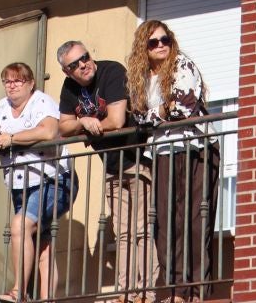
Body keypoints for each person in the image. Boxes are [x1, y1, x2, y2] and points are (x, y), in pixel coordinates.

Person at [56, 39, 153, 302]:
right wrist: (83, 122)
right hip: (112, 166)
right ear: (68, 71)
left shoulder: (111, 72)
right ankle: (126, 291)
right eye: (75, 64)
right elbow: (62, 127)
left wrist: (87, 125)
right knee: (123, 232)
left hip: (138, 160)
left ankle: (146, 292)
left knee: (142, 230)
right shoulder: (70, 87)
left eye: (85, 57)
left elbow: (116, 120)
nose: (84, 65)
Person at [129, 22, 213, 303]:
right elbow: (138, 117)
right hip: (165, 150)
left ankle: (196, 292)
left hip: (196, 146)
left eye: (165, 39)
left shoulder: (182, 65)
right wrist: (160, 111)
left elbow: (181, 107)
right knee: (167, 223)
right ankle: (177, 291)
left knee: (194, 219)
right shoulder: (142, 79)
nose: (161, 45)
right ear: (144, 48)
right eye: (153, 42)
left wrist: (157, 112)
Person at [0, 61, 69, 303]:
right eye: (7, 81)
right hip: (20, 183)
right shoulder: (1, 107)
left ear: (30, 83)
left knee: (21, 226)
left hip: (52, 178)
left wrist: (11, 139)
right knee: (40, 242)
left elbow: (48, 131)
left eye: (18, 80)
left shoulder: (42, 101)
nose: (12, 86)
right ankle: (47, 298)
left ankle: (19, 292)